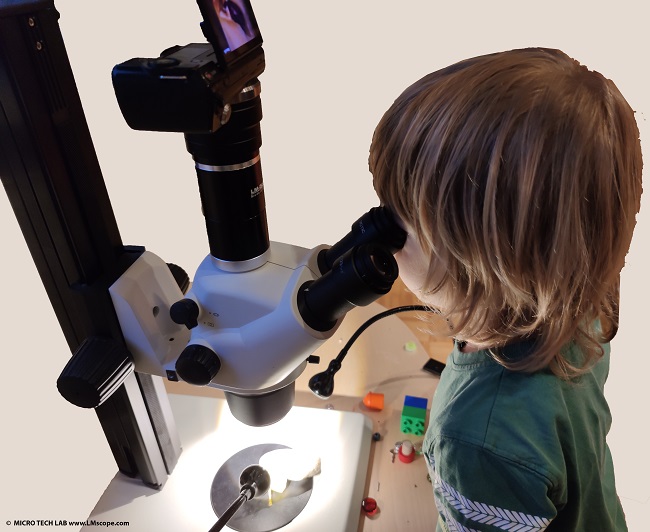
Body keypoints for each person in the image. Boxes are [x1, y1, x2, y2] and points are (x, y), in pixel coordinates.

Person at [369, 48, 642, 531]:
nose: (381, 232)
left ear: (478, 261)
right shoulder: (579, 304)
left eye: (399, 218)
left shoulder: (474, 442)